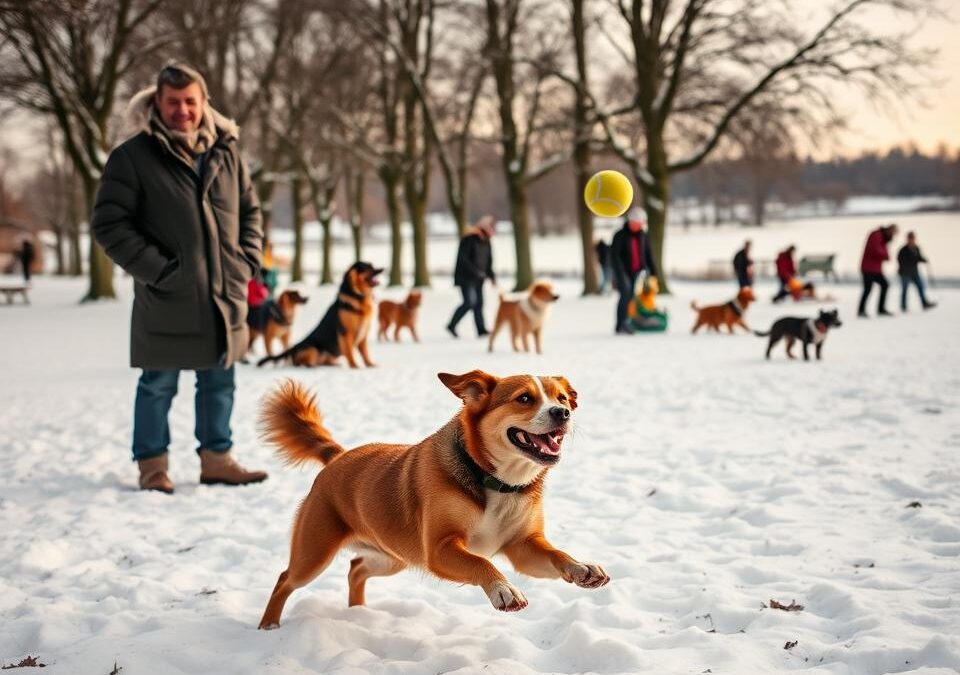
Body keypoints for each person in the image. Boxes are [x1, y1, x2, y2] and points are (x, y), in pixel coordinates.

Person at [91, 62, 267, 494]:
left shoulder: (227, 152)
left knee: (219, 381)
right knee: (157, 385)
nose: (183, 110)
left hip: (223, 296)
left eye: (191, 101)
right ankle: (153, 468)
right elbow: (109, 224)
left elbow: (251, 214)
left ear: (204, 102)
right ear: (157, 104)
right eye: (174, 102)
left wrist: (244, 263)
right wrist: (161, 271)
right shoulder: (132, 156)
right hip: (166, 296)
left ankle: (218, 460)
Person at [447, 215, 497, 338]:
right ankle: (451, 325)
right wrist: (476, 272)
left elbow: (488, 261)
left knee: (479, 303)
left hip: (479, 278)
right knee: (469, 302)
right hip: (466, 278)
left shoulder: (486, 241)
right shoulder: (469, 239)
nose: (493, 231)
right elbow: (463, 259)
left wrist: (492, 276)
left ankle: (481, 330)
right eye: (491, 227)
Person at [610, 209, 658, 334]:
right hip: (622, 272)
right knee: (625, 294)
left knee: (631, 296)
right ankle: (621, 324)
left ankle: (626, 322)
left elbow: (648, 255)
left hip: (636, 271)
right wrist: (620, 274)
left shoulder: (643, 235)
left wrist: (653, 273)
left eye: (641, 223)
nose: (638, 225)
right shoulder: (619, 235)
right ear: (630, 222)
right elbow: (614, 256)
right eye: (636, 223)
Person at [857, 223, 898, 318]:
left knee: (885, 285)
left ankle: (881, 309)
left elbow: (883, 251)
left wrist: (886, 254)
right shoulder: (876, 235)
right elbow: (876, 250)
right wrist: (886, 256)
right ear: (889, 230)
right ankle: (861, 310)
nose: (893, 236)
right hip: (868, 268)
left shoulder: (884, 238)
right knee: (868, 289)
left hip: (876, 269)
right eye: (893, 233)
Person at [897, 231, 936, 312]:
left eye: (913, 238)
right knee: (905, 290)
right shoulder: (903, 250)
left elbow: (918, 257)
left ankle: (924, 303)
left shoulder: (916, 248)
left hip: (914, 272)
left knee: (920, 288)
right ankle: (903, 306)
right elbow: (901, 261)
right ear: (907, 239)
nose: (911, 240)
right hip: (905, 273)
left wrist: (924, 260)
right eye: (910, 238)